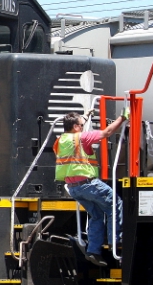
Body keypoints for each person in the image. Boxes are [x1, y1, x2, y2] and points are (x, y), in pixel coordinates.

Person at [55, 109, 129, 267]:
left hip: (74, 188)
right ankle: (117, 242)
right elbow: (106, 132)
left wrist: (86, 116)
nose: (83, 127)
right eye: (81, 125)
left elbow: (79, 121)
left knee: (96, 216)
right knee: (115, 204)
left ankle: (93, 251)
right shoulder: (81, 138)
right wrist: (123, 117)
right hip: (88, 184)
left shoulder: (61, 140)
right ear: (75, 127)